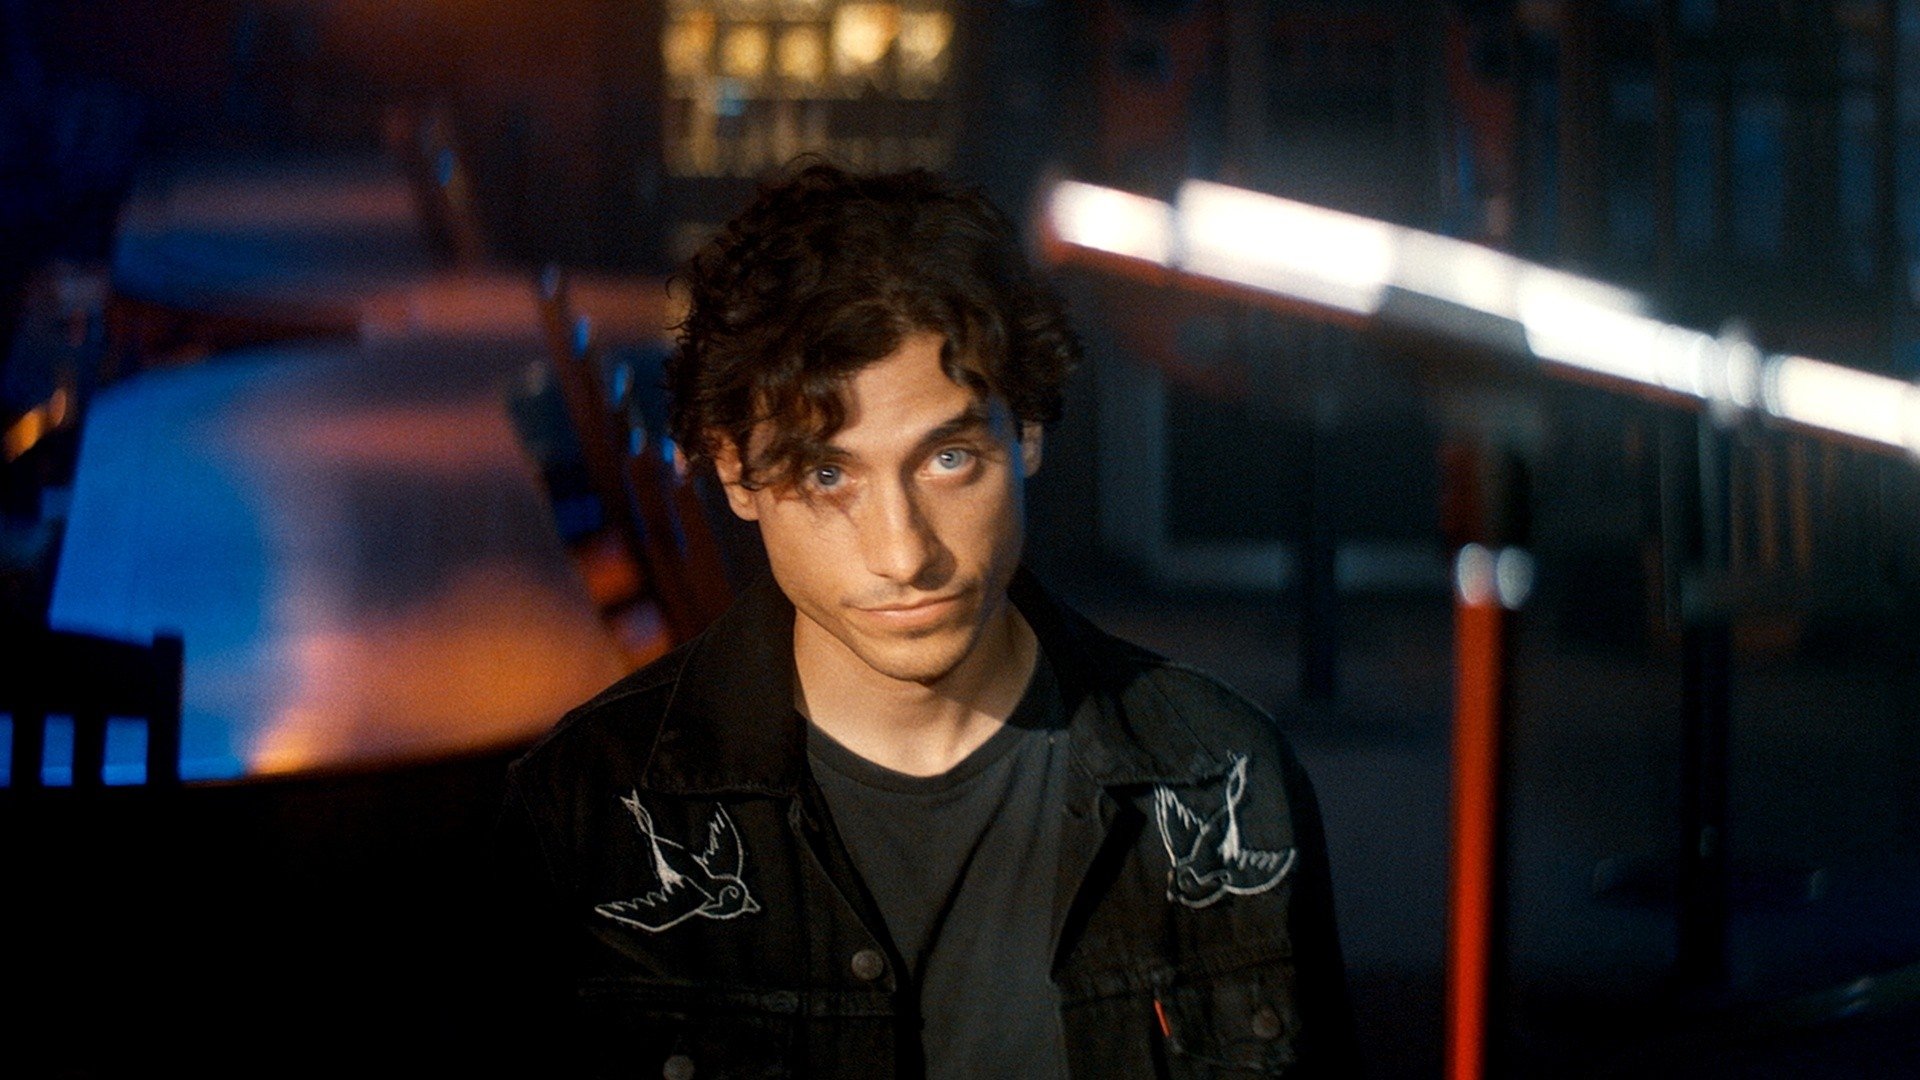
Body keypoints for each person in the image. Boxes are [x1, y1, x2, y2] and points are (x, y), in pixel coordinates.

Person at [497, 161, 1358, 1078]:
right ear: (736, 474)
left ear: (1027, 431)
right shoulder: (584, 813)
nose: (904, 554)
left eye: (948, 459)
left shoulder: (1225, 777)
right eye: (829, 474)